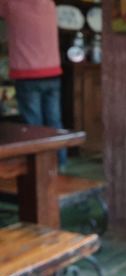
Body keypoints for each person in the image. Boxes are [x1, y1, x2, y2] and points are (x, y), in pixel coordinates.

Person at [0, 0, 67, 166]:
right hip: (52, 72)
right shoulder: (48, 4)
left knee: (33, 127)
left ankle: (38, 169)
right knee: (55, 123)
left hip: (27, 73)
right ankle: (60, 164)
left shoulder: (11, 4)